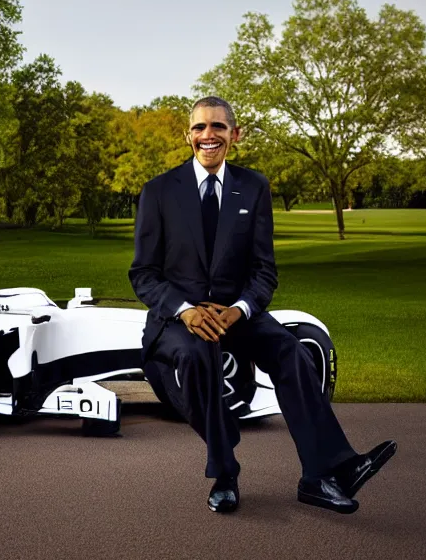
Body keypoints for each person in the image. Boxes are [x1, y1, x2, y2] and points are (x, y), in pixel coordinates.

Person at [128, 96, 396, 514]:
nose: (208, 135)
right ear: (188, 136)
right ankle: (225, 472)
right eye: (199, 128)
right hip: (180, 317)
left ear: (235, 135)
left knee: (291, 353)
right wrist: (186, 311)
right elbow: (143, 274)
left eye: (218, 127)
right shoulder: (158, 192)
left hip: (238, 312)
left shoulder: (254, 187)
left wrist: (239, 310)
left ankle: (324, 473)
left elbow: (264, 270)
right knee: (198, 357)